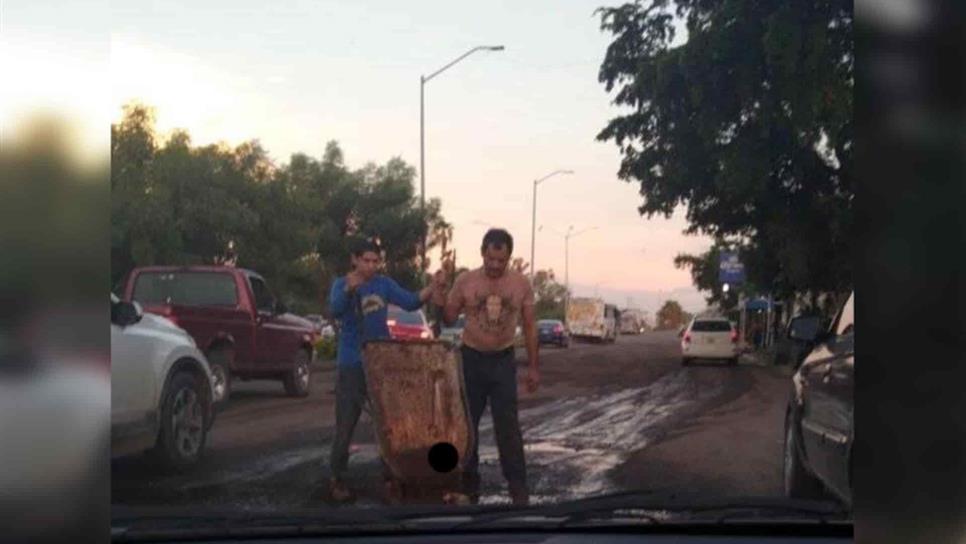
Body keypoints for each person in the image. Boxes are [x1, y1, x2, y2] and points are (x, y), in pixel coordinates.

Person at [327, 238, 442, 502]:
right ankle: (337, 479)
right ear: (354, 260)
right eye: (365, 260)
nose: (370, 266)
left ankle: (391, 478)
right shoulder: (340, 284)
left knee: (389, 424)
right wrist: (348, 290)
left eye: (375, 261)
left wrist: (432, 288)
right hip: (351, 364)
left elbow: (411, 301)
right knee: (345, 425)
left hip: (381, 364)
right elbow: (334, 309)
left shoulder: (384, 284)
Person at [438, 228, 539, 506]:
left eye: (501, 260)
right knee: (467, 426)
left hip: (503, 361)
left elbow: (530, 326)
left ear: (509, 258)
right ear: (483, 253)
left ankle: (518, 487)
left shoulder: (521, 285)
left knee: (508, 427)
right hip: (471, 359)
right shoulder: (466, 281)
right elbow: (448, 318)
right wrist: (442, 296)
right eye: (491, 259)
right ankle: (469, 487)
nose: (495, 266)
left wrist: (533, 367)